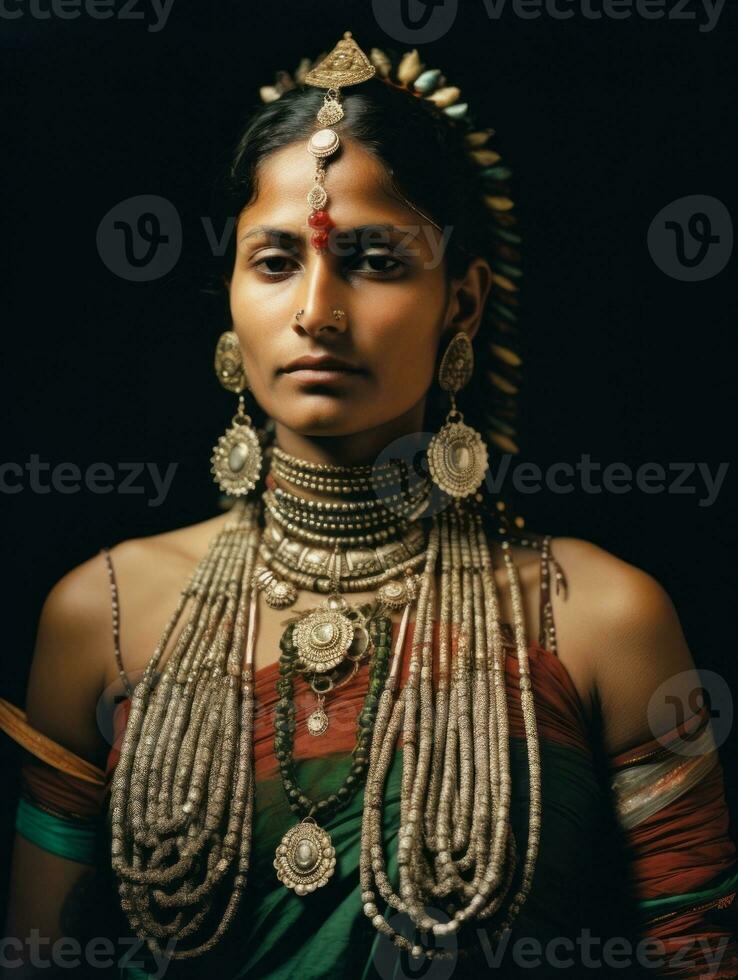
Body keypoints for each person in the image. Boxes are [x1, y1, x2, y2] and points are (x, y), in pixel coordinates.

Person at [1, 31, 736, 980]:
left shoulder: (602, 620)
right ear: (229, 296)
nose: (317, 310)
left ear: (461, 304)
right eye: (273, 261)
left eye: (376, 260)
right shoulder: (99, 616)